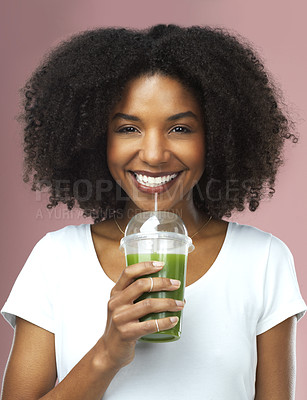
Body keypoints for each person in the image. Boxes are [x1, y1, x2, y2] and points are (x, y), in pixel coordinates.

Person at [1, 24, 306, 400]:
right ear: (97, 139)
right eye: (129, 128)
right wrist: (107, 354)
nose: (155, 154)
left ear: (218, 136)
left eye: (180, 127)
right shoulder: (56, 259)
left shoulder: (262, 260)